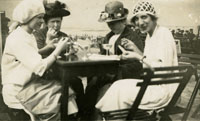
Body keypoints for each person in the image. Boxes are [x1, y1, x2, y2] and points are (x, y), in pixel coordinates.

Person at [95, 0, 178, 116]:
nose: (140, 22)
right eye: (137, 19)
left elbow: (163, 68)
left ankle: (111, 117)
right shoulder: (150, 36)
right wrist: (135, 49)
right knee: (116, 86)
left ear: (153, 18)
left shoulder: (163, 34)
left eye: (144, 17)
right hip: (152, 84)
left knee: (118, 90)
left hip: (162, 91)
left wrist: (137, 56)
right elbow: (149, 62)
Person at [1, 0, 77, 120]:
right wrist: (58, 49)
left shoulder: (27, 34)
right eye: (39, 18)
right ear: (28, 18)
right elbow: (40, 67)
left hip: (29, 85)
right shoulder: (18, 38)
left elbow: (30, 56)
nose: (42, 21)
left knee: (67, 91)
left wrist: (49, 47)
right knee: (63, 96)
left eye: (42, 18)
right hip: (18, 90)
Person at [98, 1, 143, 79]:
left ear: (122, 21)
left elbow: (138, 62)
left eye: (113, 23)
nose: (110, 26)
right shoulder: (108, 37)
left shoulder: (132, 36)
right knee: (93, 79)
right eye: (108, 23)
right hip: (107, 72)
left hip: (123, 75)